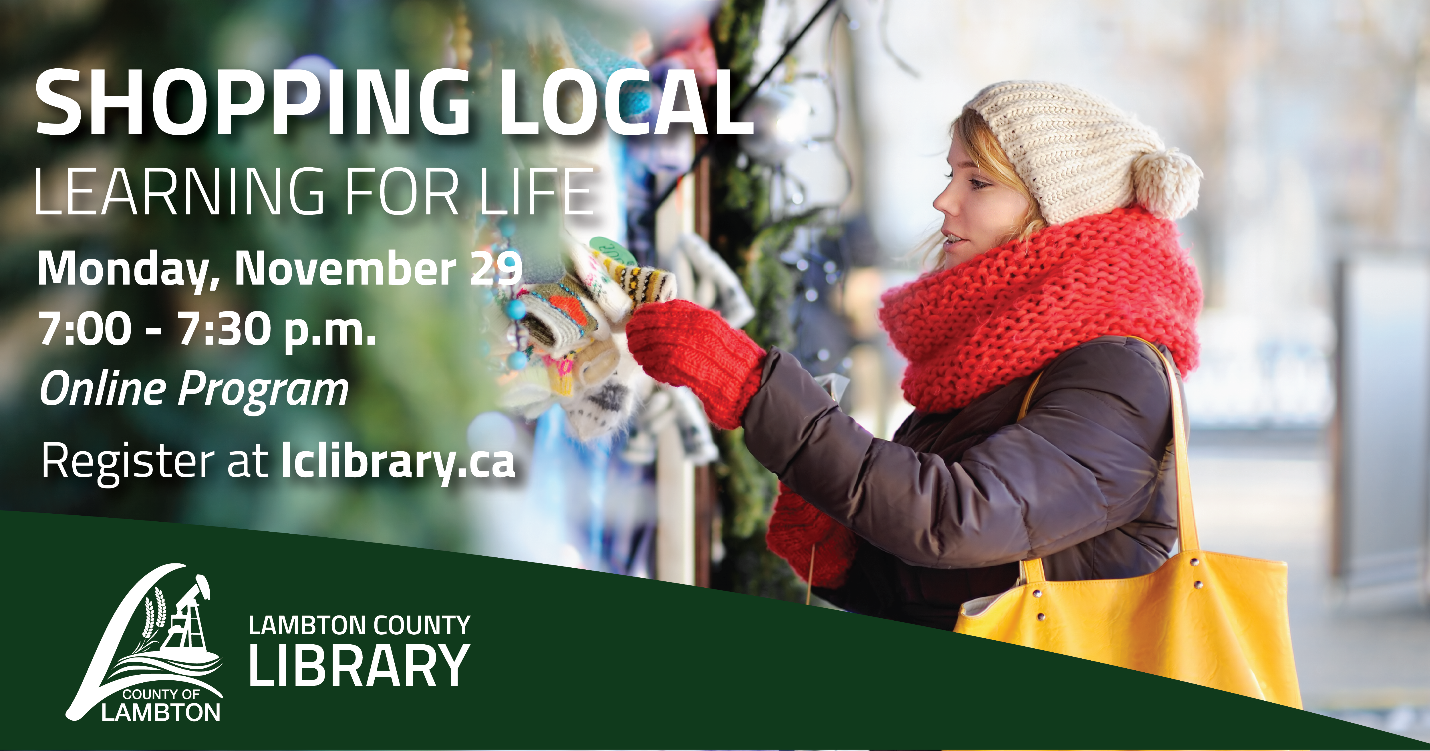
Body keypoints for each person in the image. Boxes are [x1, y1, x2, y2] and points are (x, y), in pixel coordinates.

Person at [624, 81, 1204, 629]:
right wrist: (845, 561)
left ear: (1058, 210)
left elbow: (954, 518)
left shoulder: (1118, 373)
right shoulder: (1001, 359)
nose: (943, 199)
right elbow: (939, 586)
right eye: (951, 174)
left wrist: (756, 389)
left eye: (978, 183)